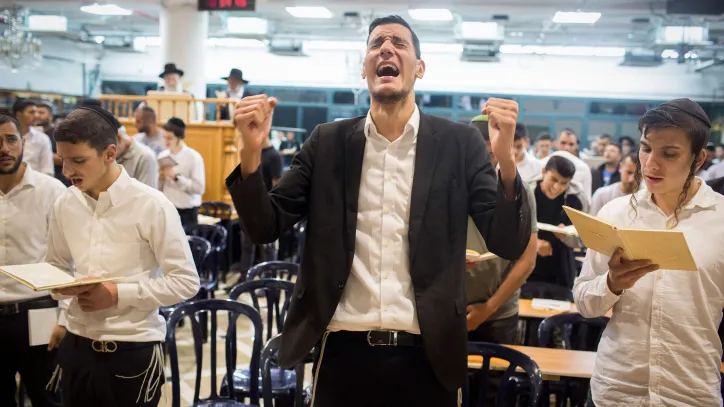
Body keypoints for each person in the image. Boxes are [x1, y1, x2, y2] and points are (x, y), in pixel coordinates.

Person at [227, 15, 531, 407]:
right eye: (376, 43)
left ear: (420, 68)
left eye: (399, 43)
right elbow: (264, 226)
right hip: (343, 354)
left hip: (429, 356)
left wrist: (505, 159)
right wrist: (251, 153)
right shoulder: (328, 142)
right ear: (365, 68)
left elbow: (507, 241)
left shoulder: (459, 144)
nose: (386, 48)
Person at [45, 106, 199, 407]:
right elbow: (56, 264)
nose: (67, 172)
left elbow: (186, 282)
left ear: (110, 153)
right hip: (77, 345)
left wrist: (118, 294)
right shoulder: (65, 202)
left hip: (132, 351)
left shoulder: (151, 204)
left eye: (78, 161)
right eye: (63, 160)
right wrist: (58, 286)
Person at [574, 98, 724, 407]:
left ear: (698, 159)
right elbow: (584, 303)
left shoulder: (720, 220)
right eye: (645, 148)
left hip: (689, 393)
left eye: (669, 153)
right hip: (615, 390)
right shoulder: (615, 213)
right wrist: (611, 283)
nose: (651, 164)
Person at [0, 114, 66, 407]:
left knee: (48, 399)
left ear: (23, 142)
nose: (4, 148)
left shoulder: (52, 191)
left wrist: (65, 317)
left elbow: (70, 260)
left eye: (11, 140)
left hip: (39, 311)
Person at [467, 115, 538, 343]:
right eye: (478, 152)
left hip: (499, 315)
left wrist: (489, 307)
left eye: (492, 152)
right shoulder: (450, 187)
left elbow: (527, 261)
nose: (486, 160)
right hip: (450, 309)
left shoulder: (519, 191)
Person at [529, 155, 585, 288]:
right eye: (553, 179)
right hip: (527, 263)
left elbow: (581, 240)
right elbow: (512, 231)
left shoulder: (574, 200)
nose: (557, 187)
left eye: (564, 183)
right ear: (544, 172)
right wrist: (534, 243)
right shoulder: (526, 193)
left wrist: (565, 236)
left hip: (561, 268)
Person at [239, 131, 283, 276]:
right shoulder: (252, 153)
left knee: (268, 248)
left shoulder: (274, 156)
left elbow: (277, 187)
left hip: (266, 209)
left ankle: (269, 281)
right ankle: (244, 278)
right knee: (247, 246)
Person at [158, 117, 205, 227]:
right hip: (168, 208)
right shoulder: (163, 156)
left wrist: (176, 178)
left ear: (180, 138)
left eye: (170, 138)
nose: (166, 141)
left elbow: (199, 188)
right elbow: (159, 188)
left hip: (187, 212)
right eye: (164, 137)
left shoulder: (194, 157)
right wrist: (160, 177)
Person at [13, 99, 54, 177]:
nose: (36, 116)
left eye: (37, 112)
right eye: (31, 112)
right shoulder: (6, 136)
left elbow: (47, 170)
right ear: (19, 114)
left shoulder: (42, 138)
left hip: (35, 182)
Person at [35, 101, 68, 186]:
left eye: (41, 113)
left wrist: (42, 154)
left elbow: (66, 159)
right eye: (35, 112)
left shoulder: (60, 134)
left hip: (57, 180)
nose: (37, 115)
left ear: (51, 116)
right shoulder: (32, 134)